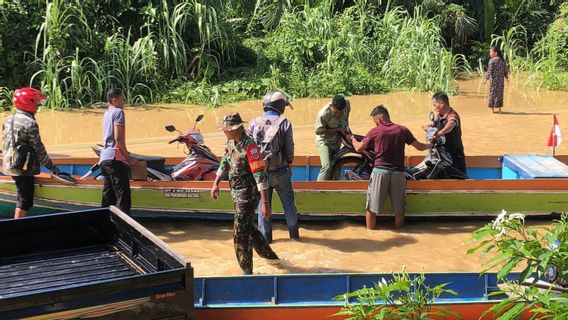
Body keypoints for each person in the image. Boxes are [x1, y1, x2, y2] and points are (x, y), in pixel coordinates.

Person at [211, 112, 279, 275]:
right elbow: (225, 161)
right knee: (248, 228)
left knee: (240, 232)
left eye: (227, 129)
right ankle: (271, 258)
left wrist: (266, 204)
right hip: (236, 193)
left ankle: (246, 272)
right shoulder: (230, 142)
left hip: (249, 194)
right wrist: (216, 182)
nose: (224, 131)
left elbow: (260, 175)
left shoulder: (250, 147)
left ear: (237, 129)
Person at [351, 105, 431, 229]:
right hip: (398, 174)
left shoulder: (375, 131)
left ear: (379, 120)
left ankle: (370, 234)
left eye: (375, 122)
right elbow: (419, 147)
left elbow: (358, 148)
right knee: (399, 210)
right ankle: (400, 232)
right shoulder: (402, 130)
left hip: (380, 173)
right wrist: (431, 145)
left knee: (371, 208)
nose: (376, 125)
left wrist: (352, 139)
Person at [249, 91, 300, 243]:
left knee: (264, 205)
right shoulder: (285, 122)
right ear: (280, 106)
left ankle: (267, 240)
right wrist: (289, 163)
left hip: (260, 173)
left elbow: (249, 148)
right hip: (281, 171)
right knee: (289, 205)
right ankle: (295, 238)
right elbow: (289, 148)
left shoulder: (253, 122)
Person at [2, 87, 60, 218]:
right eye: (36, 103)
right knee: (25, 200)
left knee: (22, 194)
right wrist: (52, 167)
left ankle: (14, 215)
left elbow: (6, 142)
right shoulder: (30, 123)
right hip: (22, 168)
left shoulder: (8, 119)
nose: (37, 107)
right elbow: (39, 149)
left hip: (8, 164)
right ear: (28, 103)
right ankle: (17, 226)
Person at [99, 88, 137, 215]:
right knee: (123, 194)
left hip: (104, 159)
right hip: (114, 158)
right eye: (122, 99)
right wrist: (128, 157)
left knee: (108, 195)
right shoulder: (118, 112)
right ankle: (123, 225)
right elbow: (118, 138)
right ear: (114, 100)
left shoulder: (106, 113)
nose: (124, 101)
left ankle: (104, 221)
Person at [430, 92, 467, 176]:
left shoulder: (453, 115)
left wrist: (440, 133)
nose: (434, 108)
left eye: (435, 105)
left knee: (461, 178)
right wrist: (429, 127)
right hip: (443, 155)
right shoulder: (439, 116)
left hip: (455, 155)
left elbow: (451, 124)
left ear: (442, 104)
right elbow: (434, 125)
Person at [315, 95, 350, 181]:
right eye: (335, 113)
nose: (338, 115)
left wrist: (347, 132)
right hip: (324, 141)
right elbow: (318, 131)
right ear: (332, 107)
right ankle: (318, 190)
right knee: (327, 166)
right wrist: (338, 129)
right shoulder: (323, 114)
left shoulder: (346, 104)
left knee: (337, 166)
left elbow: (346, 120)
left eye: (340, 113)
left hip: (336, 141)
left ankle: (335, 188)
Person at [482, 46, 508, 114]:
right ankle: (499, 110)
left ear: (495, 53)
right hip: (501, 82)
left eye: (491, 52)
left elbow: (489, 72)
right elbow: (505, 71)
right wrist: (507, 78)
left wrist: (485, 79)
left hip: (493, 81)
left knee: (492, 95)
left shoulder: (492, 61)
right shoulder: (502, 60)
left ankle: (492, 111)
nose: (490, 54)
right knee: (500, 94)